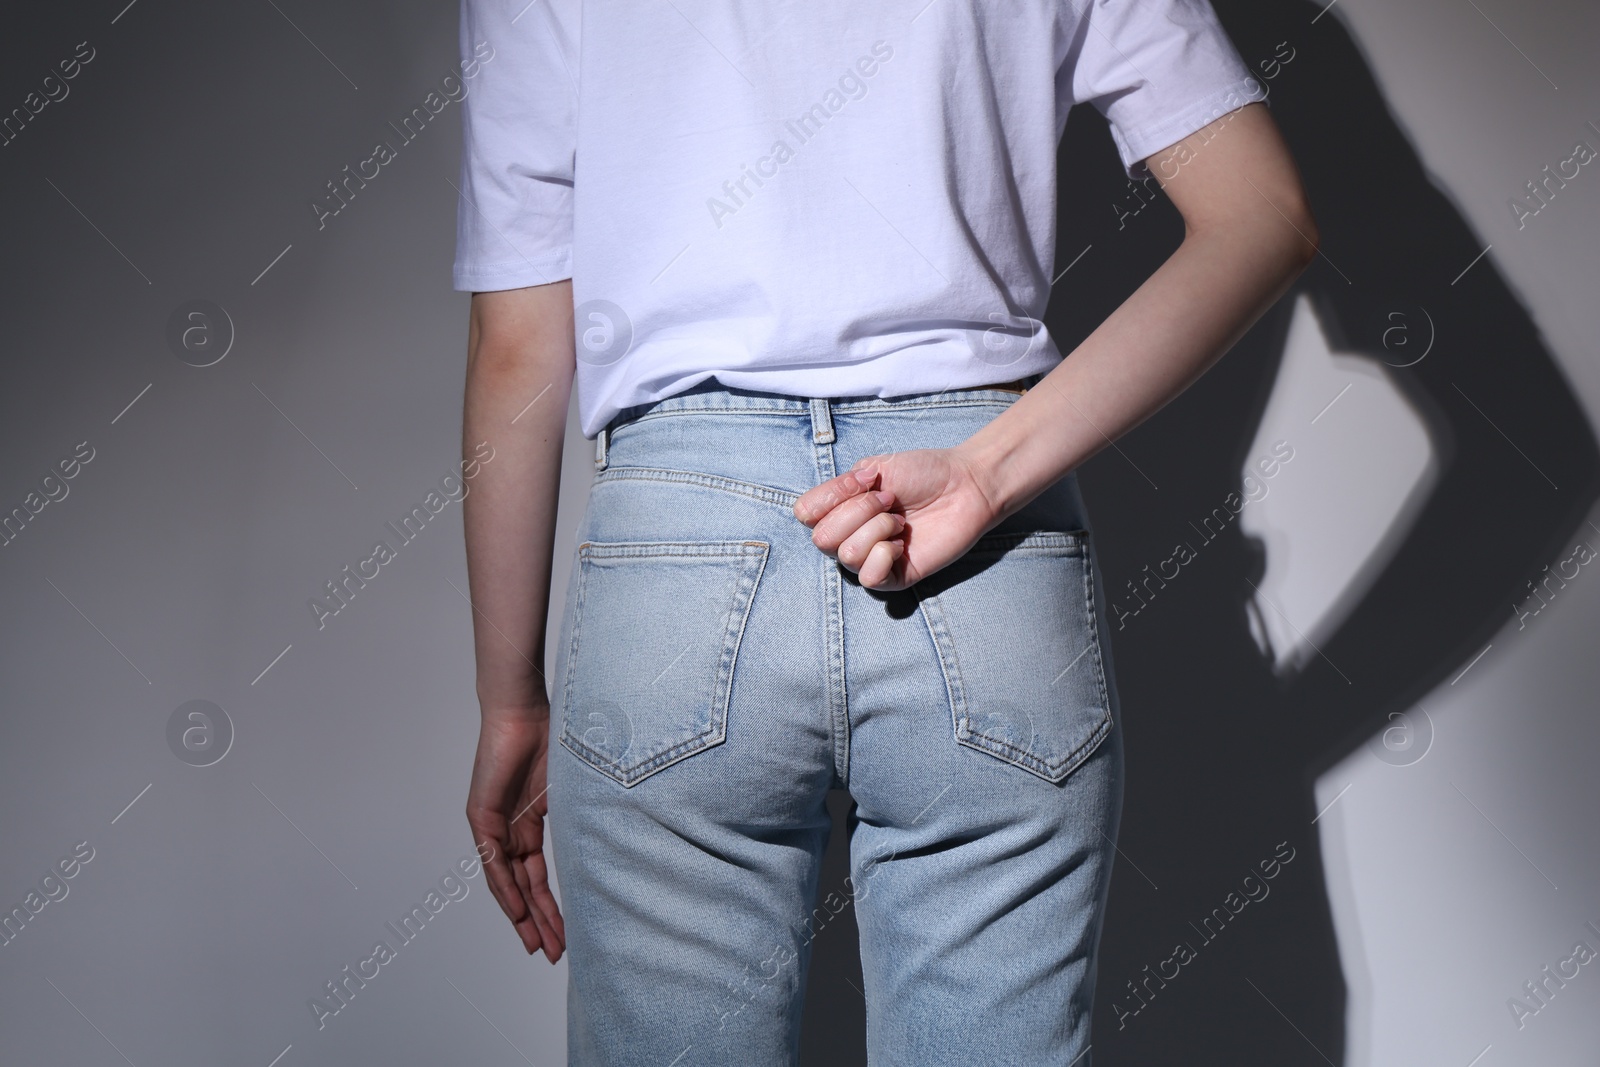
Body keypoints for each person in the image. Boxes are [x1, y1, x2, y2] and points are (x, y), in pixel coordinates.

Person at [453, 0, 1317, 1063]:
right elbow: (1264, 213)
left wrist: (509, 698)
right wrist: (985, 471)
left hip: (674, 558)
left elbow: (515, 347)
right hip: (986, 554)